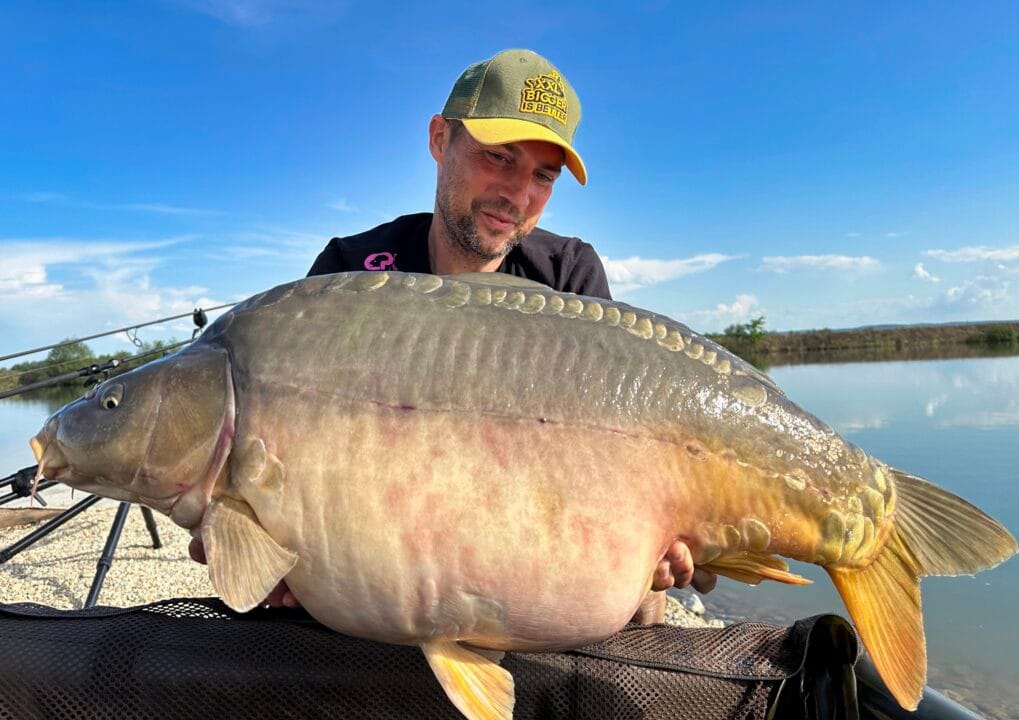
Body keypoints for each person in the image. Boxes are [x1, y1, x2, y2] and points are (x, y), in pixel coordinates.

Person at [191, 49, 715, 622]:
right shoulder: (350, 270)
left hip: (526, 554)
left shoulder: (569, 276)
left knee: (648, 600)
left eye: (543, 175)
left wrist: (656, 538)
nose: (517, 195)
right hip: (381, 566)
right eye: (499, 157)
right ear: (440, 139)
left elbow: (614, 451)